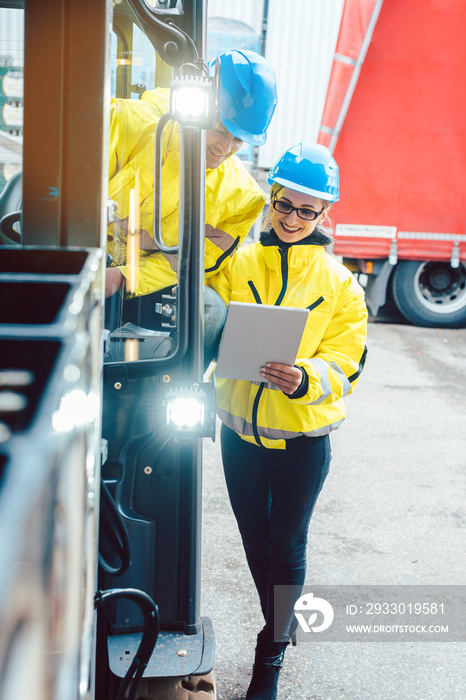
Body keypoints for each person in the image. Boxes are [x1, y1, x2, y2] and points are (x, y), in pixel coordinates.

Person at [207, 142, 368, 699]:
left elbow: (348, 362)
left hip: (301, 442)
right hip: (238, 437)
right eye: (285, 205)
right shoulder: (239, 263)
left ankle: (270, 653)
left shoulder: (341, 285)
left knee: (287, 543)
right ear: (271, 198)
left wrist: (304, 378)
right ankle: (280, 621)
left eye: (308, 210)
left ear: (324, 215)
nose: (293, 219)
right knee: (256, 544)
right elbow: (208, 321)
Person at [104, 49, 277, 365]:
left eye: (238, 139)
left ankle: (169, 394)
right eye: (220, 129)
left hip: (143, 285)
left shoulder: (242, 197)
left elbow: (193, 263)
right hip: (89, 267)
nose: (223, 148)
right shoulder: (126, 124)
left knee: (209, 309)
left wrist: (124, 276)